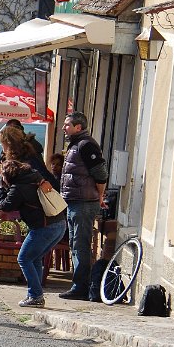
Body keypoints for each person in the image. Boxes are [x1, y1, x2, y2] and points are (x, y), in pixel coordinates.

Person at [0, 159, 68, 307]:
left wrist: (0, 188)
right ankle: (34, 295)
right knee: (34, 258)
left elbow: (6, 206)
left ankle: (36, 296)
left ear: (8, 176)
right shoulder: (35, 176)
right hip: (59, 223)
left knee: (24, 259)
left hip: (44, 227)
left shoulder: (18, 188)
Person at [59, 112, 109, 300]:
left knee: (80, 244)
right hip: (74, 201)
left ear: (78, 127)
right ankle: (78, 285)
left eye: (67, 125)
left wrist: (100, 195)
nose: (64, 128)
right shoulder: (75, 144)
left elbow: (100, 174)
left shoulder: (86, 145)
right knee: (75, 243)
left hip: (84, 203)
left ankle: (80, 287)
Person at [0, 126, 59, 190]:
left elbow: (19, 185)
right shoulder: (26, 154)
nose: (3, 149)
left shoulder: (22, 160)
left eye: (2, 144)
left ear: (8, 143)